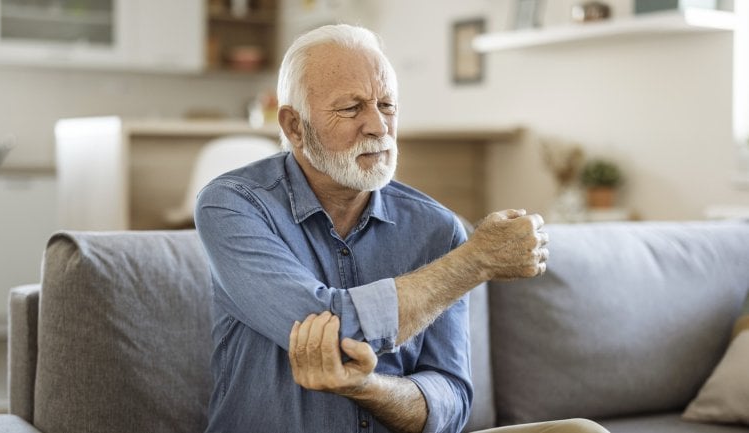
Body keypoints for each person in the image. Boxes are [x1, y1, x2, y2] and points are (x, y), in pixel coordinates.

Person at [195, 24, 607, 433]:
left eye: (387, 105)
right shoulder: (233, 205)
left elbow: (451, 397)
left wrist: (370, 388)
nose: (378, 126)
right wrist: (474, 262)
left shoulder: (438, 228)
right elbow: (329, 333)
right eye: (351, 108)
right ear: (294, 127)